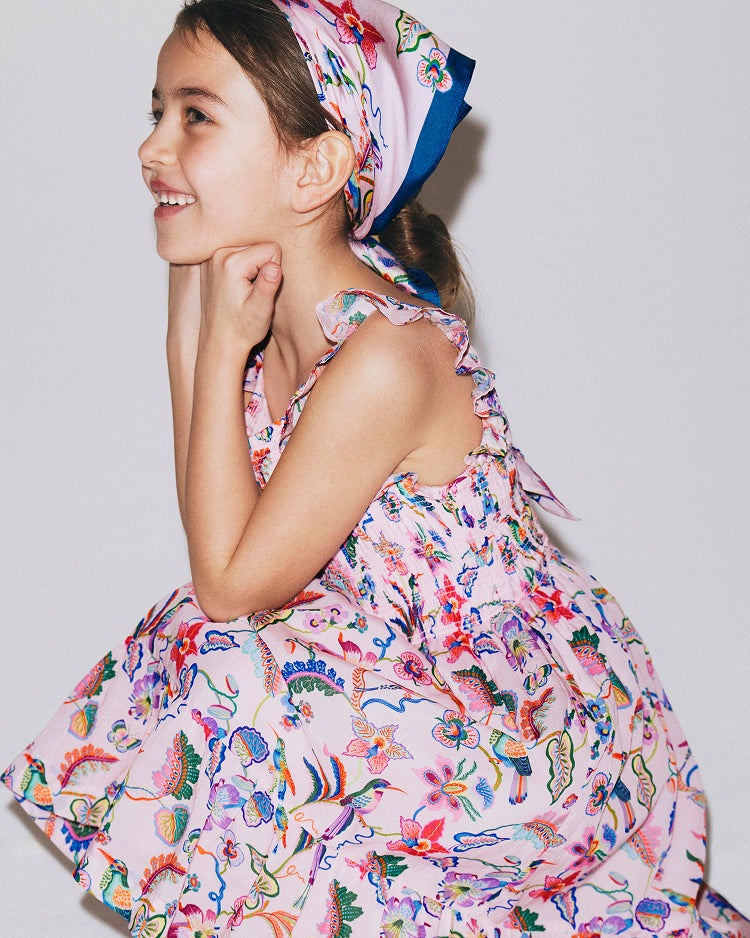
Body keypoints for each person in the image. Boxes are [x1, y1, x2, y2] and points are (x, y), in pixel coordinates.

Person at [2, 0, 747, 935]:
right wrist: (199, 331)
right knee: (208, 645)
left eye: (194, 115)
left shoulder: (387, 359)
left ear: (315, 166)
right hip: (386, 662)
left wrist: (214, 341)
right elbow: (216, 536)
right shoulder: (224, 293)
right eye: (154, 112)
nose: (153, 147)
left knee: (242, 661)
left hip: (507, 713)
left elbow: (231, 583)